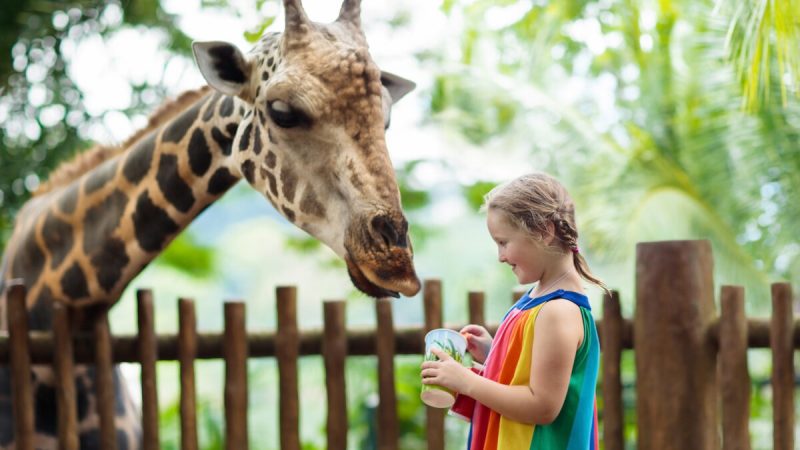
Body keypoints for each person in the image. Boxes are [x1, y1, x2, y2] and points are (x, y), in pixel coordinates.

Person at [420, 172, 606, 449]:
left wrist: (467, 382)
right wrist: (495, 354)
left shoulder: (559, 311)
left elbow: (542, 406)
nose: (501, 256)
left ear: (544, 231)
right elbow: (535, 374)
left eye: (503, 242)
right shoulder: (538, 298)